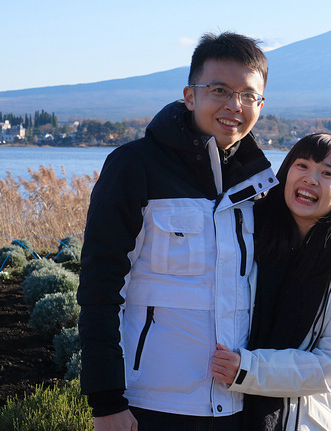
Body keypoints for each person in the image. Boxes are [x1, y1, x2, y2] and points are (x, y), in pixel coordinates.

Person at [77, 32, 276, 431]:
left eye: (247, 95)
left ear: (260, 104)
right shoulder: (135, 167)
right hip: (148, 406)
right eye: (219, 90)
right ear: (190, 96)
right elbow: (100, 287)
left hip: (235, 407)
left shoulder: (261, 184)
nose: (233, 106)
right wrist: (106, 402)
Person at [210, 133, 331, 431]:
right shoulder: (245, 231)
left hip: (305, 421)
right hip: (221, 409)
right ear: (285, 173)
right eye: (302, 166)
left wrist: (249, 369)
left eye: (327, 173)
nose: (311, 179)